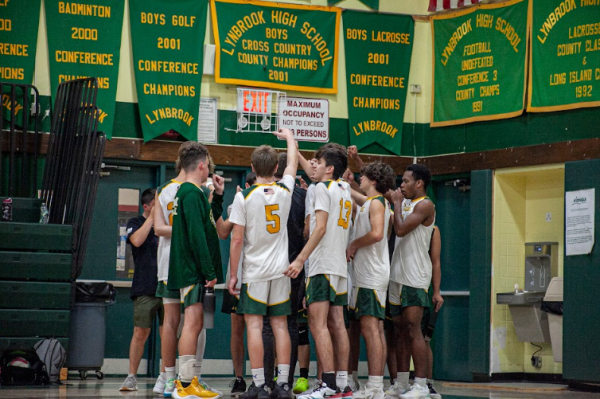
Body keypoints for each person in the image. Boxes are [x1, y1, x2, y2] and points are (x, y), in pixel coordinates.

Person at [228, 128, 298, 399]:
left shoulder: (243, 196)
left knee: (255, 326)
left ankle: (259, 385)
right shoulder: (285, 190)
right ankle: (282, 385)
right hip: (281, 270)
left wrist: (233, 275)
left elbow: (236, 240)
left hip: (255, 272)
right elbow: (293, 163)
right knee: (280, 325)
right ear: (276, 167)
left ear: (252, 167)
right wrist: (290, 138)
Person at [153, 154, 224, 398]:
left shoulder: (191, 192)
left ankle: (185, 381)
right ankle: (183, 383)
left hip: (187, 269)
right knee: (191, 325)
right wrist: (209, 271)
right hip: (193, 270)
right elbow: (197, 236)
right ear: (202, 164)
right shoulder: (192, 193)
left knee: (192, 324)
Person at [287, 143, 352, 399]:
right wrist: (294, 147)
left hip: (322, 264)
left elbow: (320, 228)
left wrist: (301, 259)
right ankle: (342, 384)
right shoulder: (343, 187)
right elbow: (314, 173)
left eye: (319, 162)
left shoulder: (322, 189)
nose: (313, 166)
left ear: (330, 168)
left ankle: (327, 385)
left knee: (318, 325)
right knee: (337, 324)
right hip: (339, 267)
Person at [386, 164, 436, 399]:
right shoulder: (404, 200)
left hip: (415, 278)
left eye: (405, 181)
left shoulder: (425, 205)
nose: (401, 185)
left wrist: (395, 203)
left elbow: (401, 229)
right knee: (398, 331)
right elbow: (378, 186)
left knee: (413, 329)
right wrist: (356, 166)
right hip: (396, 275)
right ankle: (402, 382)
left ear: (419, 183)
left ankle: (422, 385)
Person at [347, 162, 396, 399]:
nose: (360, 178)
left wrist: (353, 244)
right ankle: (376, 384)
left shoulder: (377, 203)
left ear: (373, 181)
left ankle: (375, 386)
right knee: (376, 328)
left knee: (371, 329)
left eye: (363, 176)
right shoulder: (374, 203)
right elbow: (356, 196)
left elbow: (378, 234)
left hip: (371, 274)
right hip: (373, 272)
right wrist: (345, 185)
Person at [262, 153, 306, 389]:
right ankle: (286, 382)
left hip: (269, 267)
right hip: (296, 266)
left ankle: (266, 381)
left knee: (268, 325)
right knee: (290, 324)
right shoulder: (303, 194)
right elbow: (309, 232)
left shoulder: (262, 193)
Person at [119, 188, 164, 392]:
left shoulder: (167, 223)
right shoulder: (135, 223)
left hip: (167, 286)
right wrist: (152, 218)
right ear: (146, 206)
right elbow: (136, 241)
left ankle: (165, 376)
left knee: (169, 334)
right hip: (145, 286)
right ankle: (131, 377)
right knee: (141, 332)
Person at [218, 172, 257, 397]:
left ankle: (260, 377)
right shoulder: (238, 204)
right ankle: (240, 377)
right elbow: (225, 234)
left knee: (261, 329)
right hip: (237, 275)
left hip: (257, 275)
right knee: (237, 329)